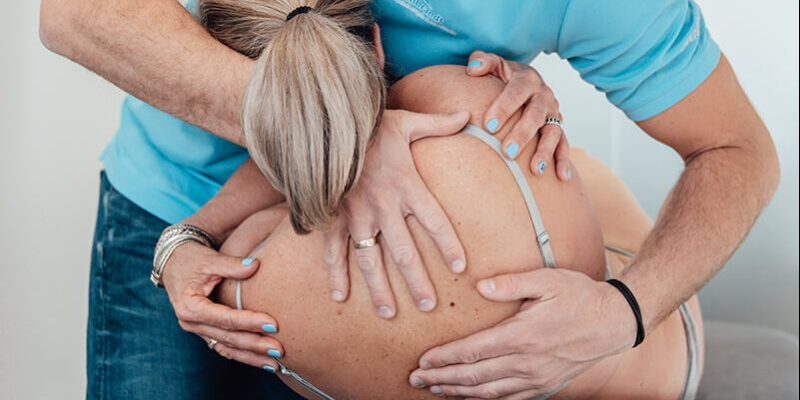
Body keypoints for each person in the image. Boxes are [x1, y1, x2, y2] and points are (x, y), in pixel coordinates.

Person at [38, 0, 778, 399]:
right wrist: (335, 136)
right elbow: (73, 12)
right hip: (171, 192)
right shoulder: (454, 104)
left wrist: (625, 311)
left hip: (291, 230)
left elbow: (735, 150)